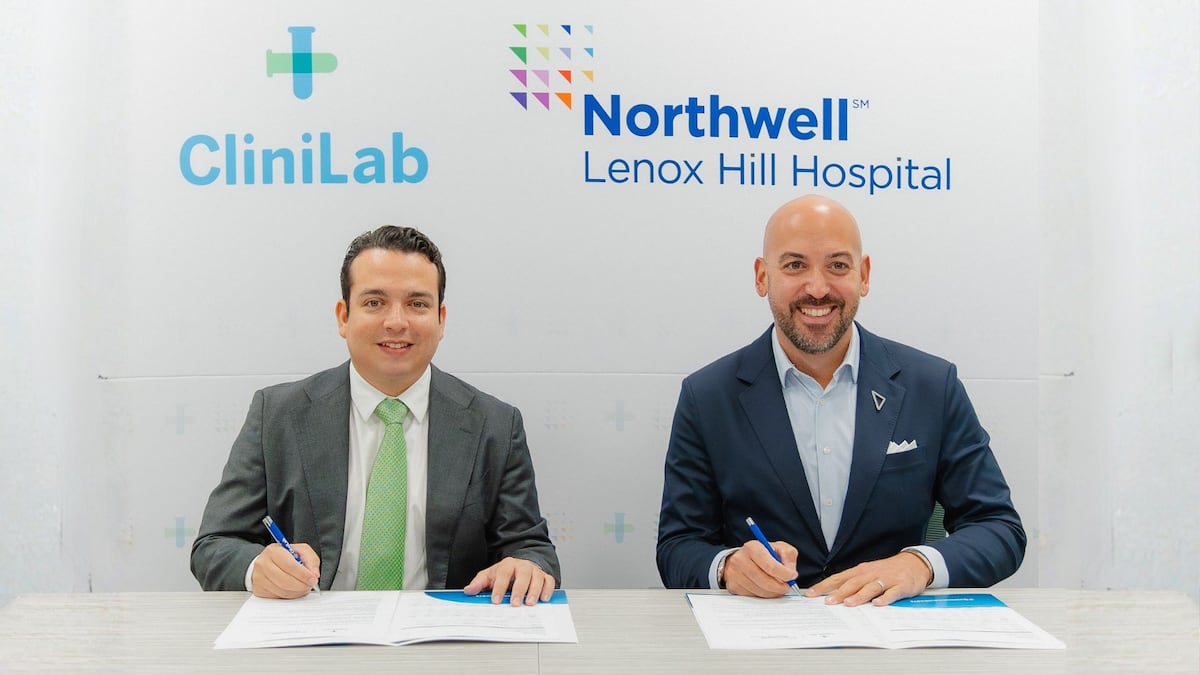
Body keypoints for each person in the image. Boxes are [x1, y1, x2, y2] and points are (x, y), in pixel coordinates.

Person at [656, 194, 1025, 607]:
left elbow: (999, 528)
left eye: (837, 266)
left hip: (893, 633)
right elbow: (678, 547)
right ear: (762, 278)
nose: (817, 288)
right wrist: (727, 567)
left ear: (863, 275)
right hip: (763, 636)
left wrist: (918, 565)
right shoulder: (708, 396)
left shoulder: (932, 386)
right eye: (795, 266)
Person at [191, 225, 560, 605]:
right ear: (343, 316)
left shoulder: (495, 425)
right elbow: (214, 545)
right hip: (312, 631)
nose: (396, 322)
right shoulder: (277, 415)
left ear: (441, 319)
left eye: (417, 304)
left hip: (440, 633)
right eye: (374, 302)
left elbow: (531, 547)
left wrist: (526, 566)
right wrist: (257, 567)